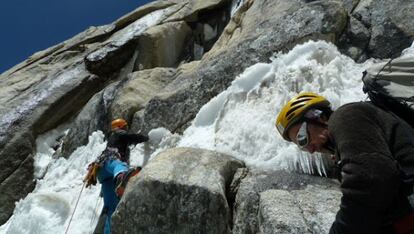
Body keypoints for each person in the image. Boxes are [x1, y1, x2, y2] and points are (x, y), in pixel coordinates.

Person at [275, 92, 414, 234]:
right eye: (301, 146)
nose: (309, 149)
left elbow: (368, 182)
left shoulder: (345, 116)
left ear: (319, 116)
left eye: (303, 138)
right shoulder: (347, 147)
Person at [85, 118, 148, 234]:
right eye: (125, 127)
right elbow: (133, 138)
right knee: (119, 165)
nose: (126, 130)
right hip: (111, 165)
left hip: (103, 173)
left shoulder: (111, 138)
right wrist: (147, 138)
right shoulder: (118, 134)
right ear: (120, 127)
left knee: (111, 208)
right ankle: (121, 176)